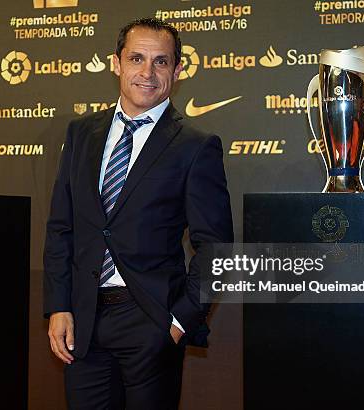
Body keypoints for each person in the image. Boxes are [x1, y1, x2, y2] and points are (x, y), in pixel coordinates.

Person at [43, 17, 233, 410]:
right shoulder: (81, 133)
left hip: (150, 322)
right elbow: (63, 227)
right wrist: (59, 305)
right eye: (137, 58)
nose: (147, 73)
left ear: (178, 71)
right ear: (116, 63)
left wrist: (178, 323)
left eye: (161, 62)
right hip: (83, 321)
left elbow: (215, 247)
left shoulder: (195, 147)